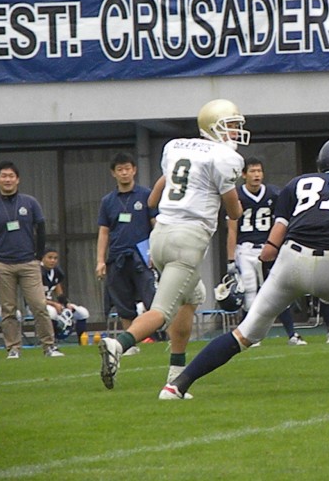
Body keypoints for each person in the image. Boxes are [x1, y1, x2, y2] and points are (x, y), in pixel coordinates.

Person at [159, 136, 329, 399]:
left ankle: (177, 385)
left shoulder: (297, 183)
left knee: (245, 333)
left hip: (289, 260)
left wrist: (273, 281)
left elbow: (269, 249)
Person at [99, 99, 249, 392]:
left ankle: (176, 374)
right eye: (230, 126)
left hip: (160, 236)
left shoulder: (179, 148)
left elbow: (152, 199)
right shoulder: (223, 158)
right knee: (162, 311)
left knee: (193, 296)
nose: (235, 132)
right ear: (213, 127)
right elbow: (234, 212)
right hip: (187, 239)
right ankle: (119, 344)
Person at [0, 161, 63, 358]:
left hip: (28, 263)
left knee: (39, 305)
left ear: (18, 179)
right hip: (3, 264)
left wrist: (38, 256)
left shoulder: (30, 202)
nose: (7, 180)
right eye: (3, 176)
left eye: (11, 176)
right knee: (8, 309)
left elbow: (41, 228)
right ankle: (13, 348)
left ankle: (49, 346)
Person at [226, 156, 307, 346]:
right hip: (245, 250)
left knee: (278, 290)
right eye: (252, 171)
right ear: (244, 175)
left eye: (259, 171)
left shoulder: (273, 194)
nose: (256, 175)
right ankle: (248, 335)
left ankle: (292, 334)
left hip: (267, 248)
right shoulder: (237, 195)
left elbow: (283, 222)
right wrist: (230, 260)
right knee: (249, 291)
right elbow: (232, 229)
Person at [96, 152, 157, 348]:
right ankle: (129, 345)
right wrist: (100, 260)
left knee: (152, 299)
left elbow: (155, 225)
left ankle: (159, 338)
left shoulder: (145, 195)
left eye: (127, 169)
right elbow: (103, 232)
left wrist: (156, 252)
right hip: (117, 257)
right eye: (120, 169)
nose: (124, 173)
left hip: (142, 256)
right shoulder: (108, 201)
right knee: (123, 304)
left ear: (134, 170)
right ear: (113, 173)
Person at [40, 247, 89, 341]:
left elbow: (59, 293)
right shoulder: (36, 272)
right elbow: (35, 298)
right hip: (36, 305)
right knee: (52, 312)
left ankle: (82, 342)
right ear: (42, 258)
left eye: (55, 258)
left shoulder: (56, 272)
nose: (53, 260)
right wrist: (54, 304)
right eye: (49, 257)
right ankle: (51, 342)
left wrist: (66, 304)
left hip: (50, 303)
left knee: (82, 312)